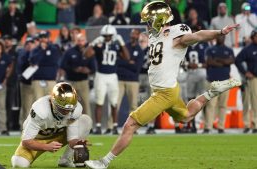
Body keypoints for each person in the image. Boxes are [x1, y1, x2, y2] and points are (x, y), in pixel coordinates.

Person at [85, 2, 241, 169]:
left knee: (130, 124)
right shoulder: (156, 35)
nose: (147, 24)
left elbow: (197, 36)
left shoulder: (176, 35)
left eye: (149, 21)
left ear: (159, 20)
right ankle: (211, 92)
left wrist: (219, 32)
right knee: (186, 116)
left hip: (163, 93)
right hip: (168, 90)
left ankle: (104, 162)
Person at [11, 82, 92, 168]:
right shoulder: (40, 110)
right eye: (63, 109)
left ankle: (66, 160)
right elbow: (26, 142)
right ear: (52, 101)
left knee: (85, 120)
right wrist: (46, 146)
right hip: (37, 139)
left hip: (59, 135)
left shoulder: (75, 110)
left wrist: (78, 144)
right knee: (19, 164)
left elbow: (72, 139)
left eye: (69, 109)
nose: (67, 112)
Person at [84, 24, 130, 135]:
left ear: (113, 36)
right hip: (100, 75)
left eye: (109, 36)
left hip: (112, 76)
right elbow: (87, 54)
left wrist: (122, 43)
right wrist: (93, 43)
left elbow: (127, 57)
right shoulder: (99, 45)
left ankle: (114, 126)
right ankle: (98, 127)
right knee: (99, 102)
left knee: (114, 103)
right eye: (105, 36)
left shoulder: (116, 45)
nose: (107, 37)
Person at [204, 35, 235, 134]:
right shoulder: (210, 49)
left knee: (223, 105)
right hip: (212, 81)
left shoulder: (229, 50)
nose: (220, 38)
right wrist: (223, 62)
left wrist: (217, 60)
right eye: (218, 37)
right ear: (216, 38)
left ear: (224, 38)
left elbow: (231, 61)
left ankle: (221, 127)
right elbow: (209, 62)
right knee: (210, 105)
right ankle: (208, 127)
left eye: (222, 37)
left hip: (225, 81)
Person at [235, 29, 257, 133]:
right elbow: (237, 60)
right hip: (252, 79)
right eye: (256, 36)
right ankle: (248, 124)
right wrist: (245, 72)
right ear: (253, 37)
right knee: (249, 101)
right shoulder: (248, 49)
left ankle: (254, 124)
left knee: (255, 102)